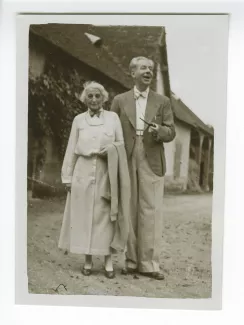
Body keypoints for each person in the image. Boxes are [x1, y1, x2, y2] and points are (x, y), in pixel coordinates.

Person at [111, 56, 176, 280]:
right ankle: (130, 261)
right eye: (143, 68)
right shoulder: (120, 100)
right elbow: (111, 130)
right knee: (129, 208)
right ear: (132, 73)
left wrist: (160, 130)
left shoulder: (163, 101)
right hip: (126, 155)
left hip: (151, 155)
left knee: (151, 209)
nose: (148, 71)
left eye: (151, 68)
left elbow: (171, 131)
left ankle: (149, 263)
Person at [58, 81, 127, 279]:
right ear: (85, 99)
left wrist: (111, 150)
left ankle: (107, 261)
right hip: (83, 170)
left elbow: (121, 144)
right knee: (84, 215)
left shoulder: (113, 118)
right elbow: (71, 148)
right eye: (90, 96)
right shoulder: (79, 120)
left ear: (104, 98)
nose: (94, 100)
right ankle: (87, 260)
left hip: (106, 171)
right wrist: (67, 177)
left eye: (98, 96)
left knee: (105, 216)